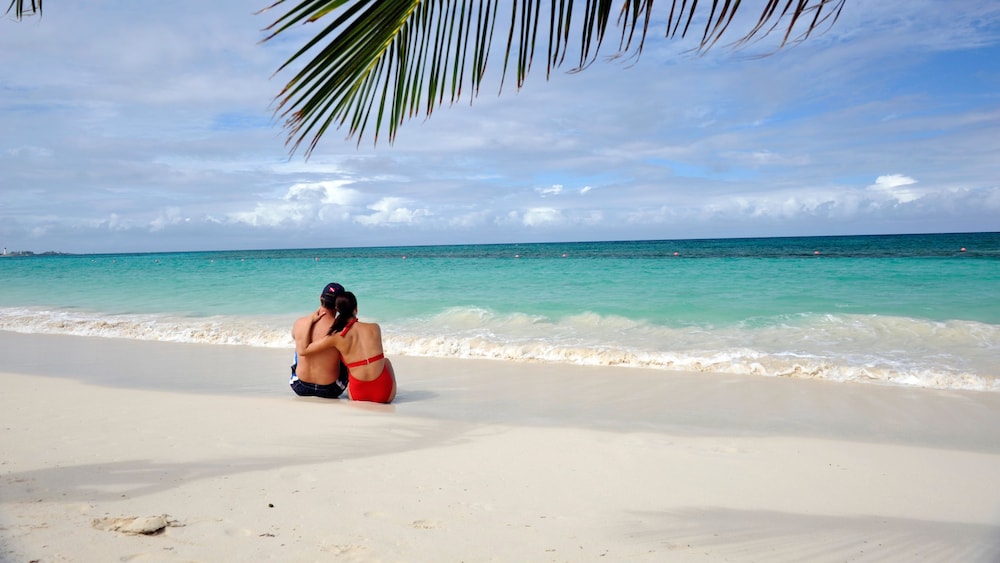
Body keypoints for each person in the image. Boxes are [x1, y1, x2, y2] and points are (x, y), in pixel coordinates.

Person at [297, 291, 397, 404]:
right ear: (356, 308)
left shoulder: (336, 336)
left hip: (357, 394)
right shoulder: (375, 328)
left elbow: (303, 350)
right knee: (386, 361)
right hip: (384, 394)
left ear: (338, 310)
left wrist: (310, 320)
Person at [289, 282, 350, 399]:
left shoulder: (299, 323)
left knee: (299, 340)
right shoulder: (342, 329)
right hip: (331, 389)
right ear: (340, 304)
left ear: (320, 298)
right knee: (343, 349)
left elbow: (299, 346)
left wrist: (310, 322)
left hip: (299, 385)